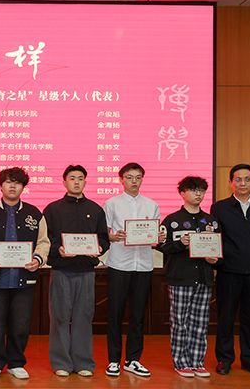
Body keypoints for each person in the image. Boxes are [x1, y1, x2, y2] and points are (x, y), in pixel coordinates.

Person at [0, 167, 50, 380]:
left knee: (21, 325)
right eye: (8, 182)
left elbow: (44, 242)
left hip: (24, 279)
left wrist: (37, 259)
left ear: (23, 187)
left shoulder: (35, 214)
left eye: (17, 183)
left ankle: (16, 362)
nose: (12, 186)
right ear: (1, 185)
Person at [43, 165, 110, 377]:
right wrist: (58, 249)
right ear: (64, 182)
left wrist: (99, 248)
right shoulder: (52, 209)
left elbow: (103, 238)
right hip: (61, 270)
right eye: (72, 178)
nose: (76, 182)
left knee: (84, 317)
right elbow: (45, 239)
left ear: (85, 182)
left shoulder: (95, 209)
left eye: (80, 178)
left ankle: (83, 363)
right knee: (60, 318)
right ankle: (61, 363)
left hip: (86, 272)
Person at [210, 164, 250, 377]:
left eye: (247, 179)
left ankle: (249, 359)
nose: (243, 183)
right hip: (228, 271)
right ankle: (224, 359)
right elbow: (215, 239)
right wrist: (214, 264)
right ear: (231, 182)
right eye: (238, 179)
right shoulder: (219, 208)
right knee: (226, 318)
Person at [103, 162, 165, 378]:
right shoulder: (111, 204)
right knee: (115, 314)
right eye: (129, 177)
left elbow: (154, 234)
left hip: (144, 265)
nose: (134, 181)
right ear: (121, 180)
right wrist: (113, 236)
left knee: (138, 315)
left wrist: (159, 237)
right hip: (120, 264)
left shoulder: (151, 204)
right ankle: (113, 360)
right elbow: (104, 234)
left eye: (138, 177)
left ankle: (133, 360)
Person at [159, 177, 220, 378]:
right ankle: (181, 362)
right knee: (180, 322)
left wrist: (214, 259)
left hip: (203, 278)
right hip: (180, 277)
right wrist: (180, 244)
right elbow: (162, 246)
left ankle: (197, 362)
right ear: (182, 193)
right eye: (193, 190)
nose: (198, 194)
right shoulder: (172, 220)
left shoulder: (211, 221)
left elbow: (218, 249)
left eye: (201, 190)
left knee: (200, 323)